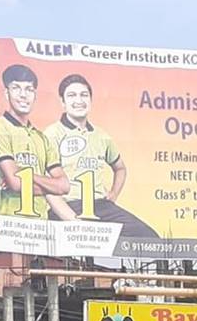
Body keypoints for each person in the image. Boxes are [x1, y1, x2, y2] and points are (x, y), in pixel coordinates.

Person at [43, 74, 159, 238]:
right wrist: (74, 222)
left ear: (90, 100)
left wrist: (113, 194)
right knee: (85, 245)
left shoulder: (102, 136)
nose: (79, 100)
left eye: (84, 95)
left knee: (149, 237)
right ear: (63, 102)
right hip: (69, 206)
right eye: (72, 95)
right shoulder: (51, 134)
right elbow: (47, 187)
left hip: (100, 206)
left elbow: (120, 168)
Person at [0, 64, 76, 221]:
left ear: (35, 95)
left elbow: (64, 186)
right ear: (6, 93)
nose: (23, 95)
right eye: (16, 88)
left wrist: (28, 175)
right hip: (10, 225)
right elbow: (16, 183)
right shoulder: (0, 128)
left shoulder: (41, 138)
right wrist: (51, 186)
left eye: (29, 89)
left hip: (40, 227)